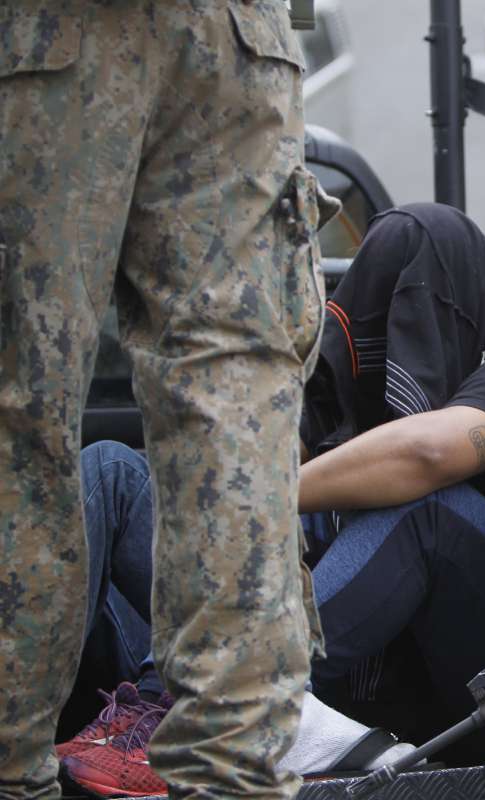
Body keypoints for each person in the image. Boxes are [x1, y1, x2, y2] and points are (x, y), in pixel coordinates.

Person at [55, 203, 485, 795]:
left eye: (410, 318)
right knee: (111, 471)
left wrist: (250, 501)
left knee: (418, 504)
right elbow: (253, 458)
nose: (394, 349)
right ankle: (39, 717)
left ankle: (192, 707)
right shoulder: (351, 374)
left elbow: (424, 457)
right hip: (358, 661)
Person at [0, 3, 326, 797]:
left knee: (18, 417)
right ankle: (231, 776)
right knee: (233, 413)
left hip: (42, 33)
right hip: (233, 38)